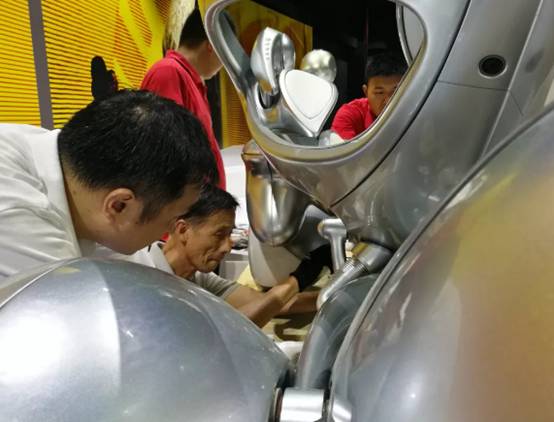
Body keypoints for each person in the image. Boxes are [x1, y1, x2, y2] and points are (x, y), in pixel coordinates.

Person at [0, 90, 217, 280]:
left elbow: (143, 279)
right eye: (172, 220)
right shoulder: (18, 216)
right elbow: (81, 309)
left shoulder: (87, 197)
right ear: (119, 205)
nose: (173, 231)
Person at [131, 185, 331, 328]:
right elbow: (228, 329)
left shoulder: (198, 278)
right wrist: (297, 280)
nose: (227, 247)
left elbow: (267, 303)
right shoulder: (144, 277)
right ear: (183, 230)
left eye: (229, 235)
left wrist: (332, 296)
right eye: (219, 234)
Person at [141, 8, 226, 189]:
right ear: (212, 45)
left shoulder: (191, 81)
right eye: (224, 55)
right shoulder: (168, 73)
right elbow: (167, 155)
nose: (223, 65)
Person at [331, 51, 407, 140]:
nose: (388, 101)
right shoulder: (349, 115)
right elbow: (343, 148)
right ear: (366, 92)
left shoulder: (416, 111)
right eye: (380, 92)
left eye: (395, 91)